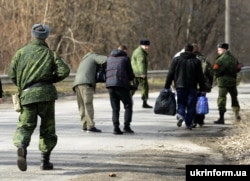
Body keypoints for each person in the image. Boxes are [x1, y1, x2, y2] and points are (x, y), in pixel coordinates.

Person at [8, 23, 70, 171]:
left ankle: (22, 145)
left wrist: (23, 85)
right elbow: (64, 70)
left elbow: (11, 74)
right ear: (46, 36)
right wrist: (50, 81)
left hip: (27, 95)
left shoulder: (21, 53)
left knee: (25, 125)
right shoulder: (50, 53)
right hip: (46, 95)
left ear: (32, 35)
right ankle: (45, 161)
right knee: (48, 128)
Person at [164, 44, 206, 130]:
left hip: (179, 86)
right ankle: (189, 123)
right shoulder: (196, 61)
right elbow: (200, 76)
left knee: (181, 103)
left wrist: (167, 86)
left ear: (184, 50)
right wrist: (202, 88)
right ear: (192, 50)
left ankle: (181, 115)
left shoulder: (176, 60)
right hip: (192, 87)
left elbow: (170, 73)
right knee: (191, 105)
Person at [73, 52, 107, 133]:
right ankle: (91, 126)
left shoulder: (84, 60)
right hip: (86, 84)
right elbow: (105, 60)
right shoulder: (93, 56)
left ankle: (84, 125)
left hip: (77, 84)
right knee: (88, 105)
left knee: (81, 106)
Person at [106, 45, 135, 135]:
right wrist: (131, 81)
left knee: (115, 108)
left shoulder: (109, 58)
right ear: (125, 51)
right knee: (128, 105)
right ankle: (126, 126)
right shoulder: (125, 59)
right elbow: (130, 74)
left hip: (110, 85)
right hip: (121, 85)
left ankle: (116, 128)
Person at [213, 43, 242, 124]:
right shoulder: (234, 59)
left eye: (219, 50)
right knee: (234, 98)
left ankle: (221, 118)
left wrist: (215, 77)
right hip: (232, 81)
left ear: (223, 49)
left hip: (223, 82)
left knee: (222, 99)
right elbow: (238, 68)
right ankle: (236, 114)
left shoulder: (220, 60)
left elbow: (216, 71)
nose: (218, 51)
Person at [192, 43, 214, 127]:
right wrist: (209, 84)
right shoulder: (204, 59)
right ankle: (200, 120)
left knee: (192, 102)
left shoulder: (189, 58)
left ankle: (193, 119)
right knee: (201, 102)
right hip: (203, 85)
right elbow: (210, 73)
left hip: (192, 85)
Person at [131, 39, 153, 108]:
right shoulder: (141, 53)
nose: (147, 47)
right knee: (144, 87)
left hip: (135, 72)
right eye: (146, 46)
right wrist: (143, 73)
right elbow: (141, 64)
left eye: (148, 46)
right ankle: (144, 102)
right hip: (140, 73)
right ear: (141, 45)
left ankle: (127, 98)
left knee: (134, 87)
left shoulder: (137, 51)